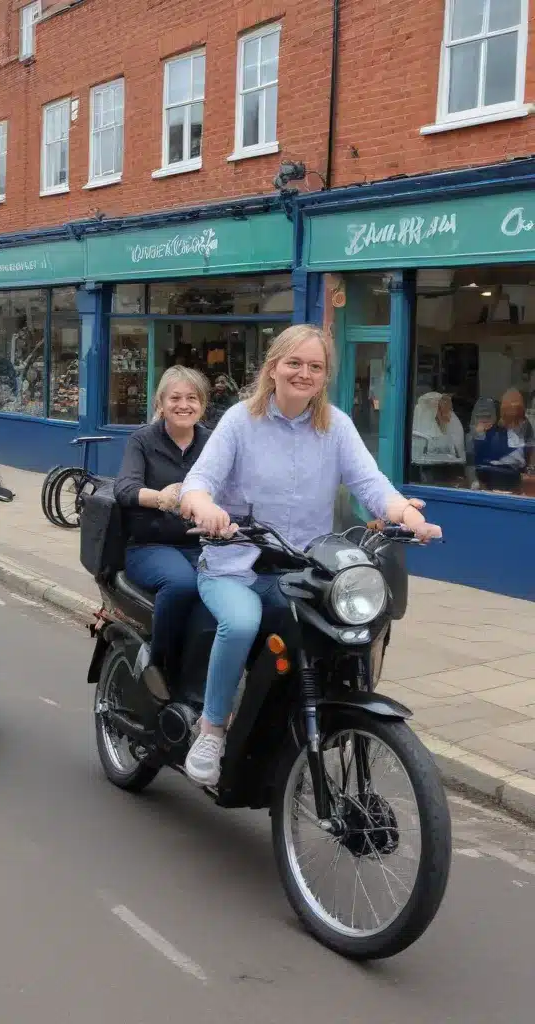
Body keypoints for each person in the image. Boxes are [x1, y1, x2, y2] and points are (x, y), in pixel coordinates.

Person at [178, 324, 442, 786]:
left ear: (325, 377)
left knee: (341, 629)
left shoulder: (335, 426)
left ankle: (306, 718)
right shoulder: (241, 421)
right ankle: (213, 728)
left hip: (303, 571)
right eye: (294, 363)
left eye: (315, 367)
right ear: (273, 367)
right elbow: (198, 484)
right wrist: (206, 508)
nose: (304, 373)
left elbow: (370, 484)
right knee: (240, 623)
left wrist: (407, 515)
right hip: (235, 564)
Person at [114, 366, 211, 694]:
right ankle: (161, 667)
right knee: (183, 584)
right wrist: (161, 498)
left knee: (228, 588)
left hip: (202, 544)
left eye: (192, 398)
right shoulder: (143, 440)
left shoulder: (212, 442)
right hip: (150, 545)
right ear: (160, 403)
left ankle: (205, 677)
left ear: (202, 404)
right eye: (175, 398)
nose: (184, 405)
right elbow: (125, 488)